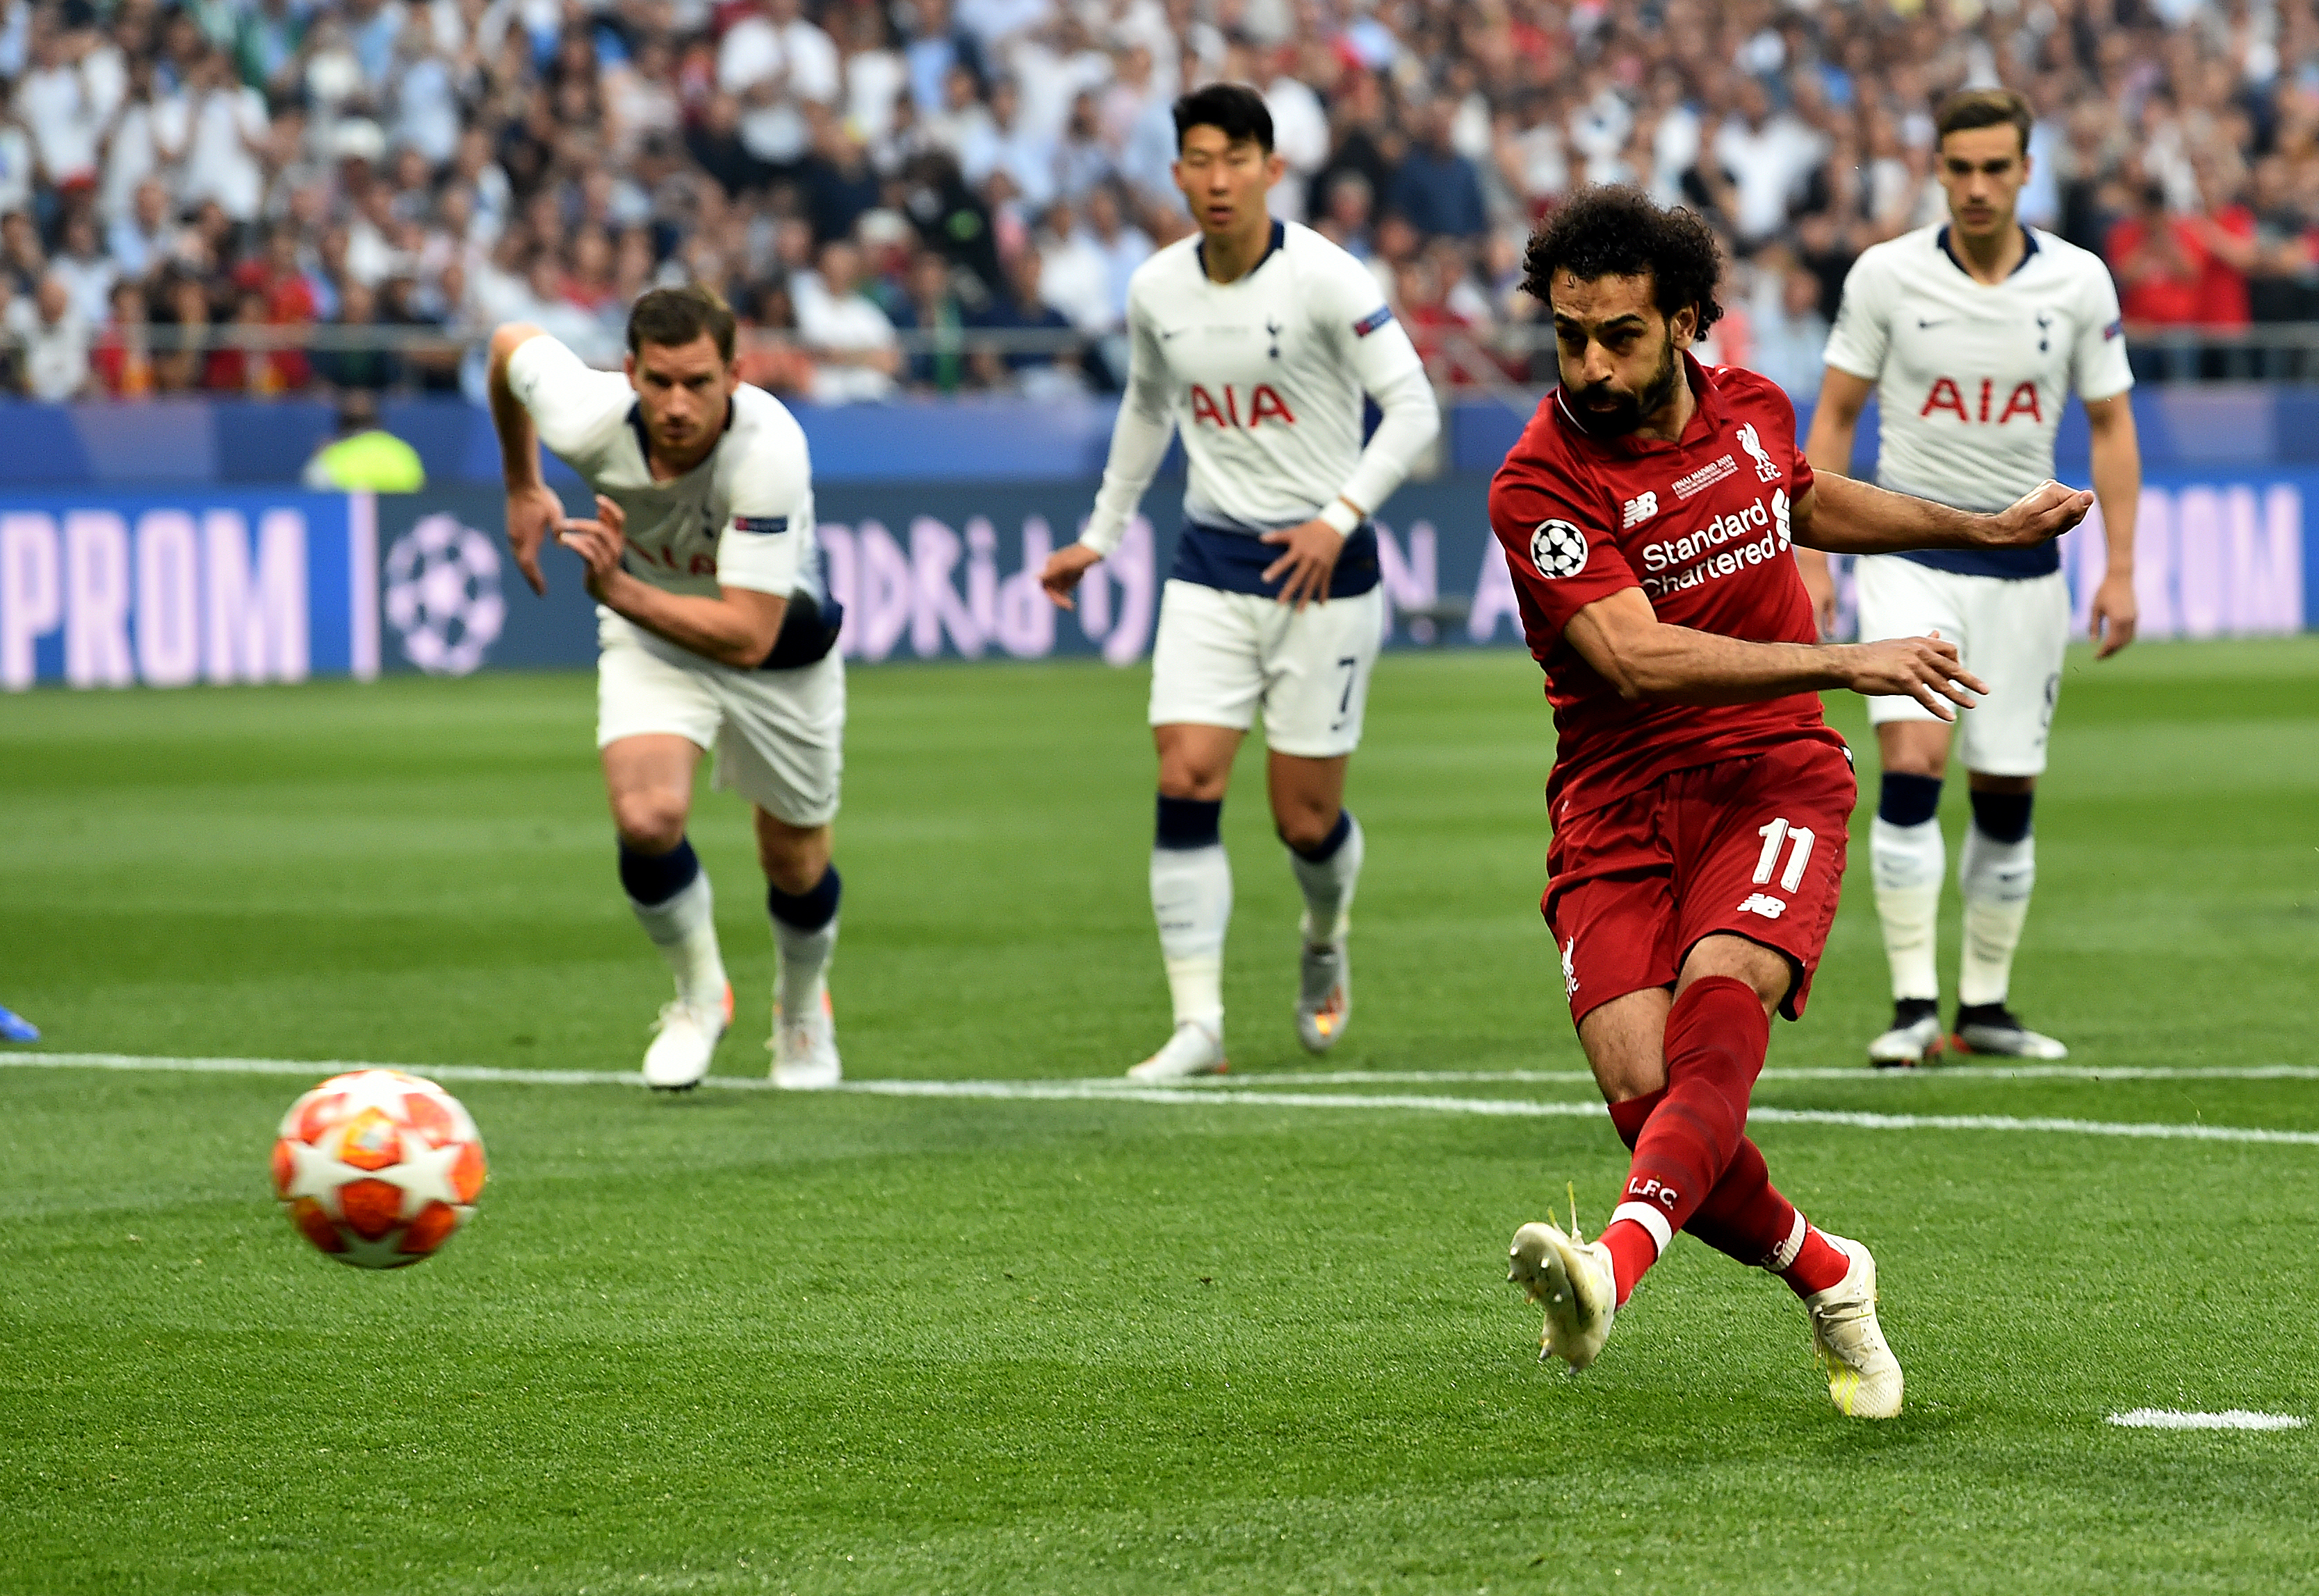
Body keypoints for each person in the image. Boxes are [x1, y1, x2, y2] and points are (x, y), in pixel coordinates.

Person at [1487, 186, 2091, 1415]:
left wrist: (1975, 531)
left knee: (1722, 1006)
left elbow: (1799, 496)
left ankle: (1610, 1267)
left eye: (1620, 336)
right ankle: (1829, 1270)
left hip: (1773, 774)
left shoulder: (1752, 412)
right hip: (1612, 802)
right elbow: (1635, 658)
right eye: (1568, 336)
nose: (1590, 365)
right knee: (1649, 1105)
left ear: (1690, 322)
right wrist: (1847, 658)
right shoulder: (1538, 485)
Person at [1039, 84, 1440, 1080]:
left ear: (1271, 167)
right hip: (1211, 561)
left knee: (1303, 819)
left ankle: (1323, 931)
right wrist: (1100, 533)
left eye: (1236, 159)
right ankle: (1198, 1025)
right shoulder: (1156, 291)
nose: (1217, 180)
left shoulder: (1326, 280)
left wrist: (1335, 519)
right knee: (1185, 776)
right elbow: (1144, 410)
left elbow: (1416, 409)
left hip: (1327, 574)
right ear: (1177, 172)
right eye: (1199, 161)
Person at [1800, 89, 2140, 1068]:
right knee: (1911, 766)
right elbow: (1831, 422)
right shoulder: (1885, 277)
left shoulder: (2078, 283)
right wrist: (1814, 556)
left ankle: (1983, 1007)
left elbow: (2112, 427)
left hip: (2027, 570)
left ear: (2027, 170)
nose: (1980, 186)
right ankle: (1912, 1005)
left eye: (1998, 167)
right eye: (1962, 168)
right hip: (1908, 557)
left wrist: (2119, 566)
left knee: (2005, 790)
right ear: (1938, 170)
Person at [487, 286, 848, 1092]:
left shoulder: (769, 450)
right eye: (659, 382)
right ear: (630, 372)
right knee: (646, 818)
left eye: (698, 383)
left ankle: (799, 1009)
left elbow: (749, 633)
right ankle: (697, 994)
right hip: (653, 632)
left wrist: (622, 594)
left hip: (778, 649)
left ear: (735, 376)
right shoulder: (586, 416)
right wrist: (521, 482)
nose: (677, 404)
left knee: (792, 861)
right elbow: (510, 345)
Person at [302, 390, 426, 491]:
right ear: (378, 420)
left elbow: (313, 490)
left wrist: (318, 457)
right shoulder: (402, 451)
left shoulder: (332, 454)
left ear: (341, 425)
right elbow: (419, 490)